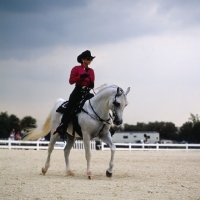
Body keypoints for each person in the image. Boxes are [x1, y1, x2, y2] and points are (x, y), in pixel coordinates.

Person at [54, 50, 95, 136]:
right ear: (83, 59)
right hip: (78, 91)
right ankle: (63, 125)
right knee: (70, 107)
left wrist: (91, 84)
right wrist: (80, 77)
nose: (90, 61)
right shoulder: (76, 68)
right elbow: (71, 81)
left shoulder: (91, 71)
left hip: (87, 92)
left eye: (91, 59)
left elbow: (92, 83)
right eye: (88, 59)